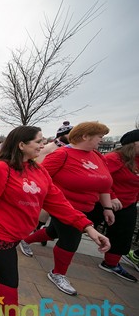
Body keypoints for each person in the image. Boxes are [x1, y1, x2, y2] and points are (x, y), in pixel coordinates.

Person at [0, 126, 110, 316]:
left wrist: (87, 227)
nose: (43, 144)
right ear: (22, 145)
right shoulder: (0, 169)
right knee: (9, 283)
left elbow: (57, 202)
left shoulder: (39, 171)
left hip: (14, 233)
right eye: (38, 141)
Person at [20, 122, 114, 296]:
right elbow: (40, 176)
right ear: (86, 136)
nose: (102, 141)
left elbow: (105, 184)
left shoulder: (99, 157)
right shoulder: (62, 154)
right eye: (100, 137)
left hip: (88, 207)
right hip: (65, 206)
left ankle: (25, 240)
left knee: (53, 232)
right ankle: (58, 273)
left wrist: (107, 207)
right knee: (70, 240)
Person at [96, 129, 138, 282]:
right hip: (104, 201)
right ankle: (28, 240)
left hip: (128, 204)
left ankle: (111, 263)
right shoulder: (114, 158)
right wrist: (111, 197)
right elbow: (101, 179)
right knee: (68, 229)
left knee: (123, 235)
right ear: (133, 144)